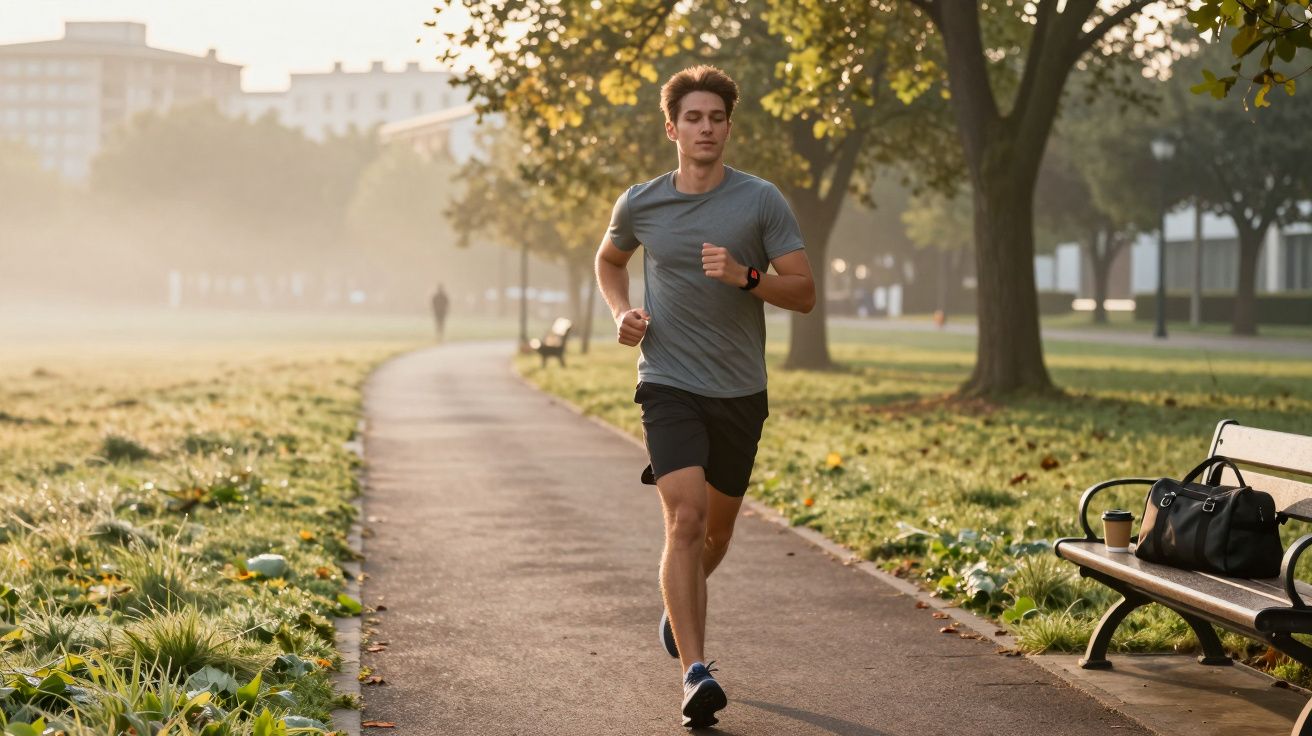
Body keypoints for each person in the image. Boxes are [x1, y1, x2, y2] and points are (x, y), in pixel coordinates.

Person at [594, 65, 815, 729]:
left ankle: (680, 597)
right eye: (693, 117)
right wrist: (621, 313)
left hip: (740, 391)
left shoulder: (760, 202)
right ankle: (695, 673)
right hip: (667, 381)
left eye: (716, 118)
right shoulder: (641, 202)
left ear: (728, 127)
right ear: (672, 128)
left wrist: (747, 277)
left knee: (715, 532)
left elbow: (802, 292)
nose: (706, 128)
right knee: (684, 520)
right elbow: (609, 260)